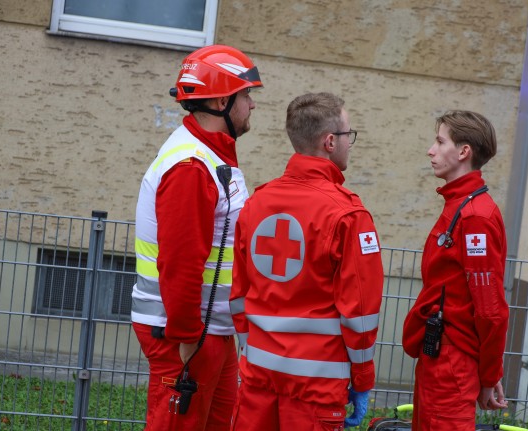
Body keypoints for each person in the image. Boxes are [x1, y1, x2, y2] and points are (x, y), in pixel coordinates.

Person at [229, 92, 384, 430]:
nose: (350, 143)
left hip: (258, 379)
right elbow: (359, 314)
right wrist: (362, 379)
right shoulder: (348, 214)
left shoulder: (256, 203)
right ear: (330, 142)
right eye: (348, 135)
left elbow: (238, 294)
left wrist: (252, 350)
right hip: (317, 388)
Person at [131, 44, 263, 431]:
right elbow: (181, 261)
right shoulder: (191, 166)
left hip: (211, 330)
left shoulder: (212, 156)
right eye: (247, 95)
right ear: (222, 100)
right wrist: (188, 337)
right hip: (186, 335)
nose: (252, 105)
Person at [402, 110, 509, 430]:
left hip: (452, 365)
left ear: (464, 152)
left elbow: (491, 310)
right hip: (439, 358)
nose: (430, 150)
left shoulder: (474, 216)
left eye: (439, 141)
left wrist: (489, 375)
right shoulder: (459, 205)